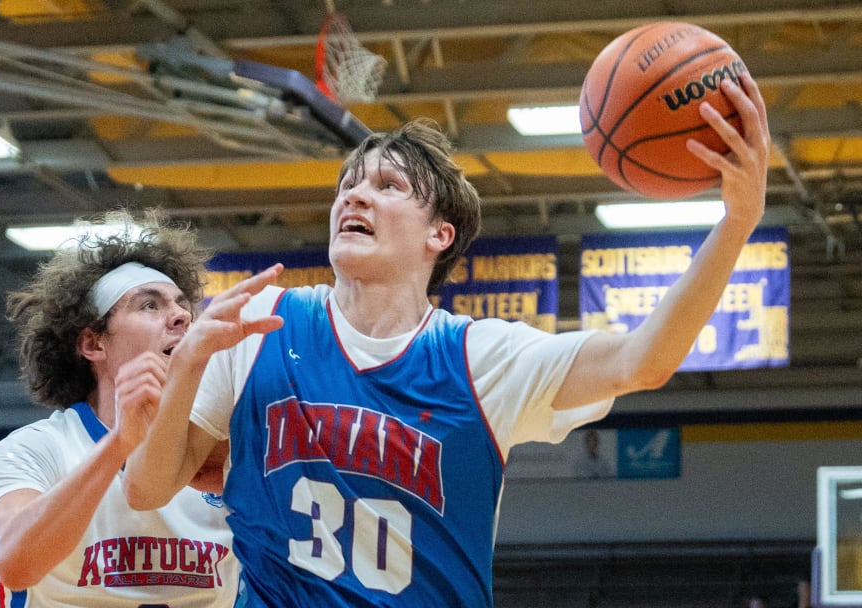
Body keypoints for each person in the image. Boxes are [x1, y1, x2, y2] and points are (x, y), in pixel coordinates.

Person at [123, 72, 770, 607]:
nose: (356, 196)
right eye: (349, 184)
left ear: (441, 235)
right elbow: (147, 490)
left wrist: (737, 223)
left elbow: (642, 361)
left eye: (388, 186)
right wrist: (189, 368)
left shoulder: (482, 359)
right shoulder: (262, 320)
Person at [0, 208, 240, 607]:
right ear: (94, 344)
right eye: (150, 305)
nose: (181, 316)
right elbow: (15, 565)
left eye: (183, 305)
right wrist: (120, 443)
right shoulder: (36, 449)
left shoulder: (222, 452)